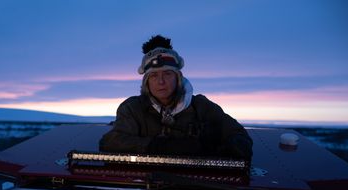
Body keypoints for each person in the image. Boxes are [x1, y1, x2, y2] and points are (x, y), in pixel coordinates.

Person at [99, 35, 253, 159]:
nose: (160, 81)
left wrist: (220, 148)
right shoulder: (132, 108)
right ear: (146, 82)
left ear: (178, 78)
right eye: (153, 76)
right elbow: (111, 141)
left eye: (167, 74)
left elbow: (239, 136)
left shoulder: (202, 107)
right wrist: (158, 146)